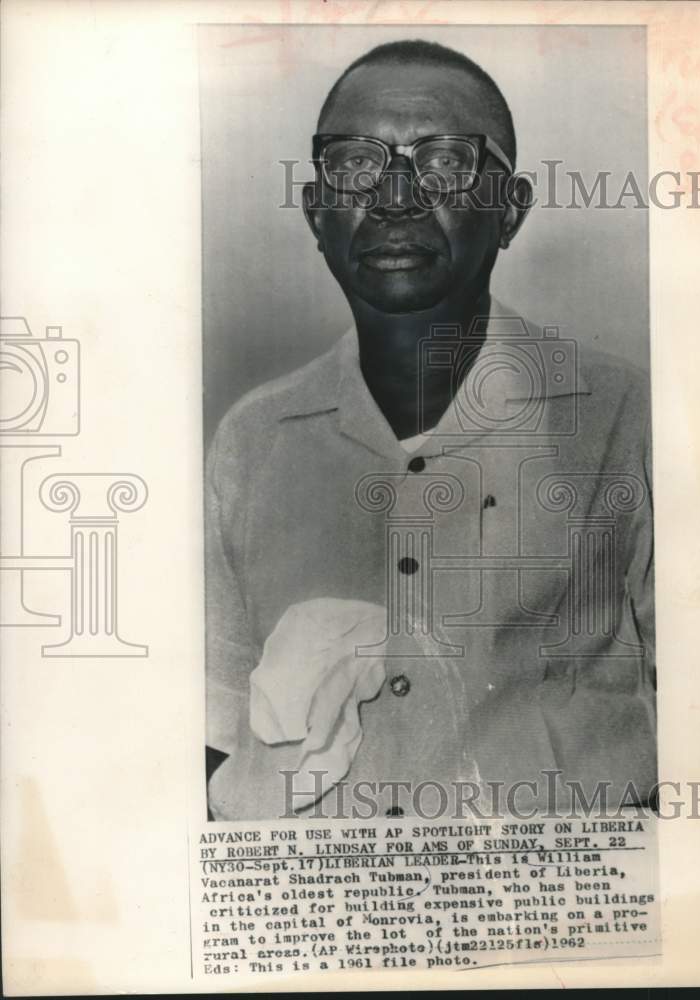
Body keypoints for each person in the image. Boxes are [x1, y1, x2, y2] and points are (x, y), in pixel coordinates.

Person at [205, 40, 655, 820]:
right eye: (354, 163)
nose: (396, 196)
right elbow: (207, 728)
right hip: (311, 911)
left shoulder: (625, 416)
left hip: (555, 917)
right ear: (317, 211)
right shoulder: (253, 440)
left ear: (509, 209)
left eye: (444, 162)